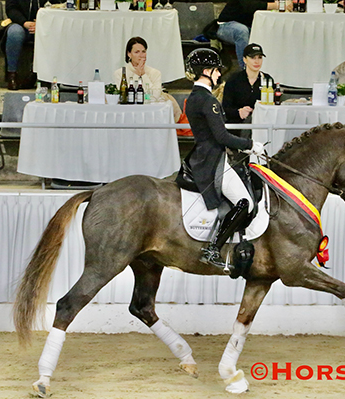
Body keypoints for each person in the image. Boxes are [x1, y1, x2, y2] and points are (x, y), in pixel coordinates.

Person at [178, 49, 265, 271]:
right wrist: (250, 145)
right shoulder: (208, 101)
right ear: (206, 71)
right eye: (216, 70)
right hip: (213, 159)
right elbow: (222, 136)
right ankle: (213, 248)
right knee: (245, 202)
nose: (219, 75)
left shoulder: (194, 98)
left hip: (202, 155)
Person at [113, 37, 181, 122]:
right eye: (137, 52)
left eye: (143, 51)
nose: (141, 55)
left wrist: (143, 75)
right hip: (128, 113)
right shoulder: (120, 73)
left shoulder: (155, 73)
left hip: (153, 114)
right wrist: (137, 75)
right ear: (129, 54)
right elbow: (124, 96)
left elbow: (155, 95)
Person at [217, 0, 292, 69]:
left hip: (248, 26)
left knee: (271, 31)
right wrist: (278, 5)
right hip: (226, 25)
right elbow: (250, 5)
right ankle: (246, 70)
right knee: (242, 31)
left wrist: (285, 3)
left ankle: (271, 69)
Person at [4, 0, 60, 90]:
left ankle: (37, 74)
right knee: (15, 33)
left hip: (45, 25)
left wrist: (43, 23)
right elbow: (11, 9)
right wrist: (24, 22)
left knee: (53, 33)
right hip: (21, 24)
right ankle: (12, 74)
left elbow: (58, 5)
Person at [222, 43, 273, 125]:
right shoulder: (234, 80)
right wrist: (239, 112)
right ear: (245, 59)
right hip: (237, 125)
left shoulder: (267, 80)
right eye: (253, 58)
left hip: (261, 125)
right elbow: (225, 108)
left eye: (260, 57)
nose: (257, 61)